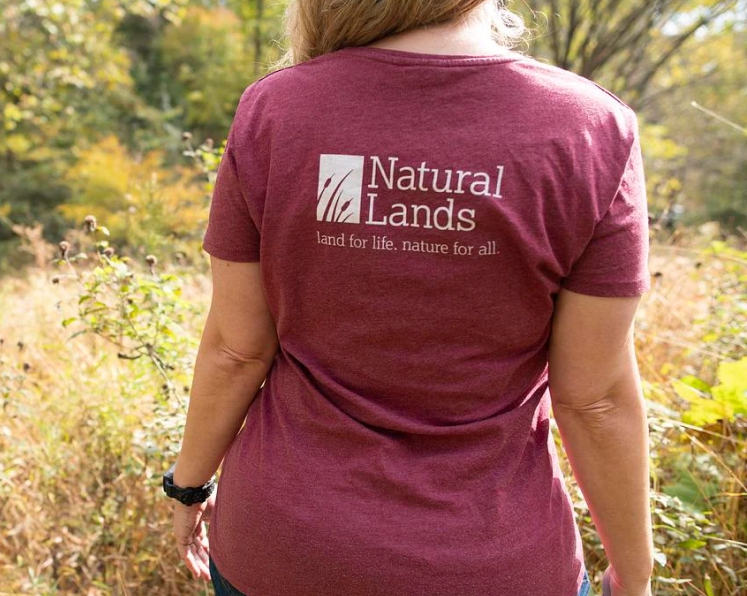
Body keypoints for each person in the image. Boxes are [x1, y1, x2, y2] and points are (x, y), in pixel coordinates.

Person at [162, 1, 654, 594]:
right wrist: (634, 573)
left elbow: (236, 350)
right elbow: (595, 400)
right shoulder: (589, 127)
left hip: (283, 549)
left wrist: (188, 486)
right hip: (492, 561)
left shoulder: (276, 109)